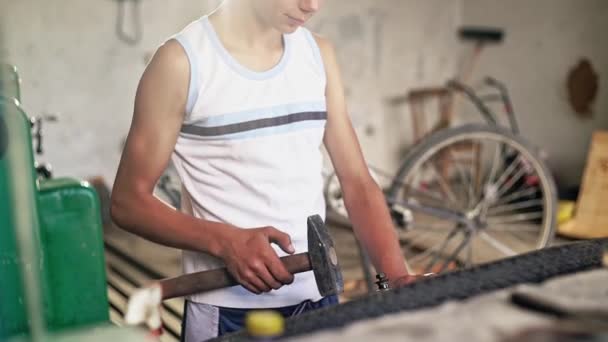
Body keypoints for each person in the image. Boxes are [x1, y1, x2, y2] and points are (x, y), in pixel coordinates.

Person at [111, 0, 416, 340]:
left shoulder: (318, 55)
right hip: (228, 313)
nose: (312, 5)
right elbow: (128, 202)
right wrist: (225, 242)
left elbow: (357, 181)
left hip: (321, 300)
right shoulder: (181, 62)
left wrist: (393, 278)